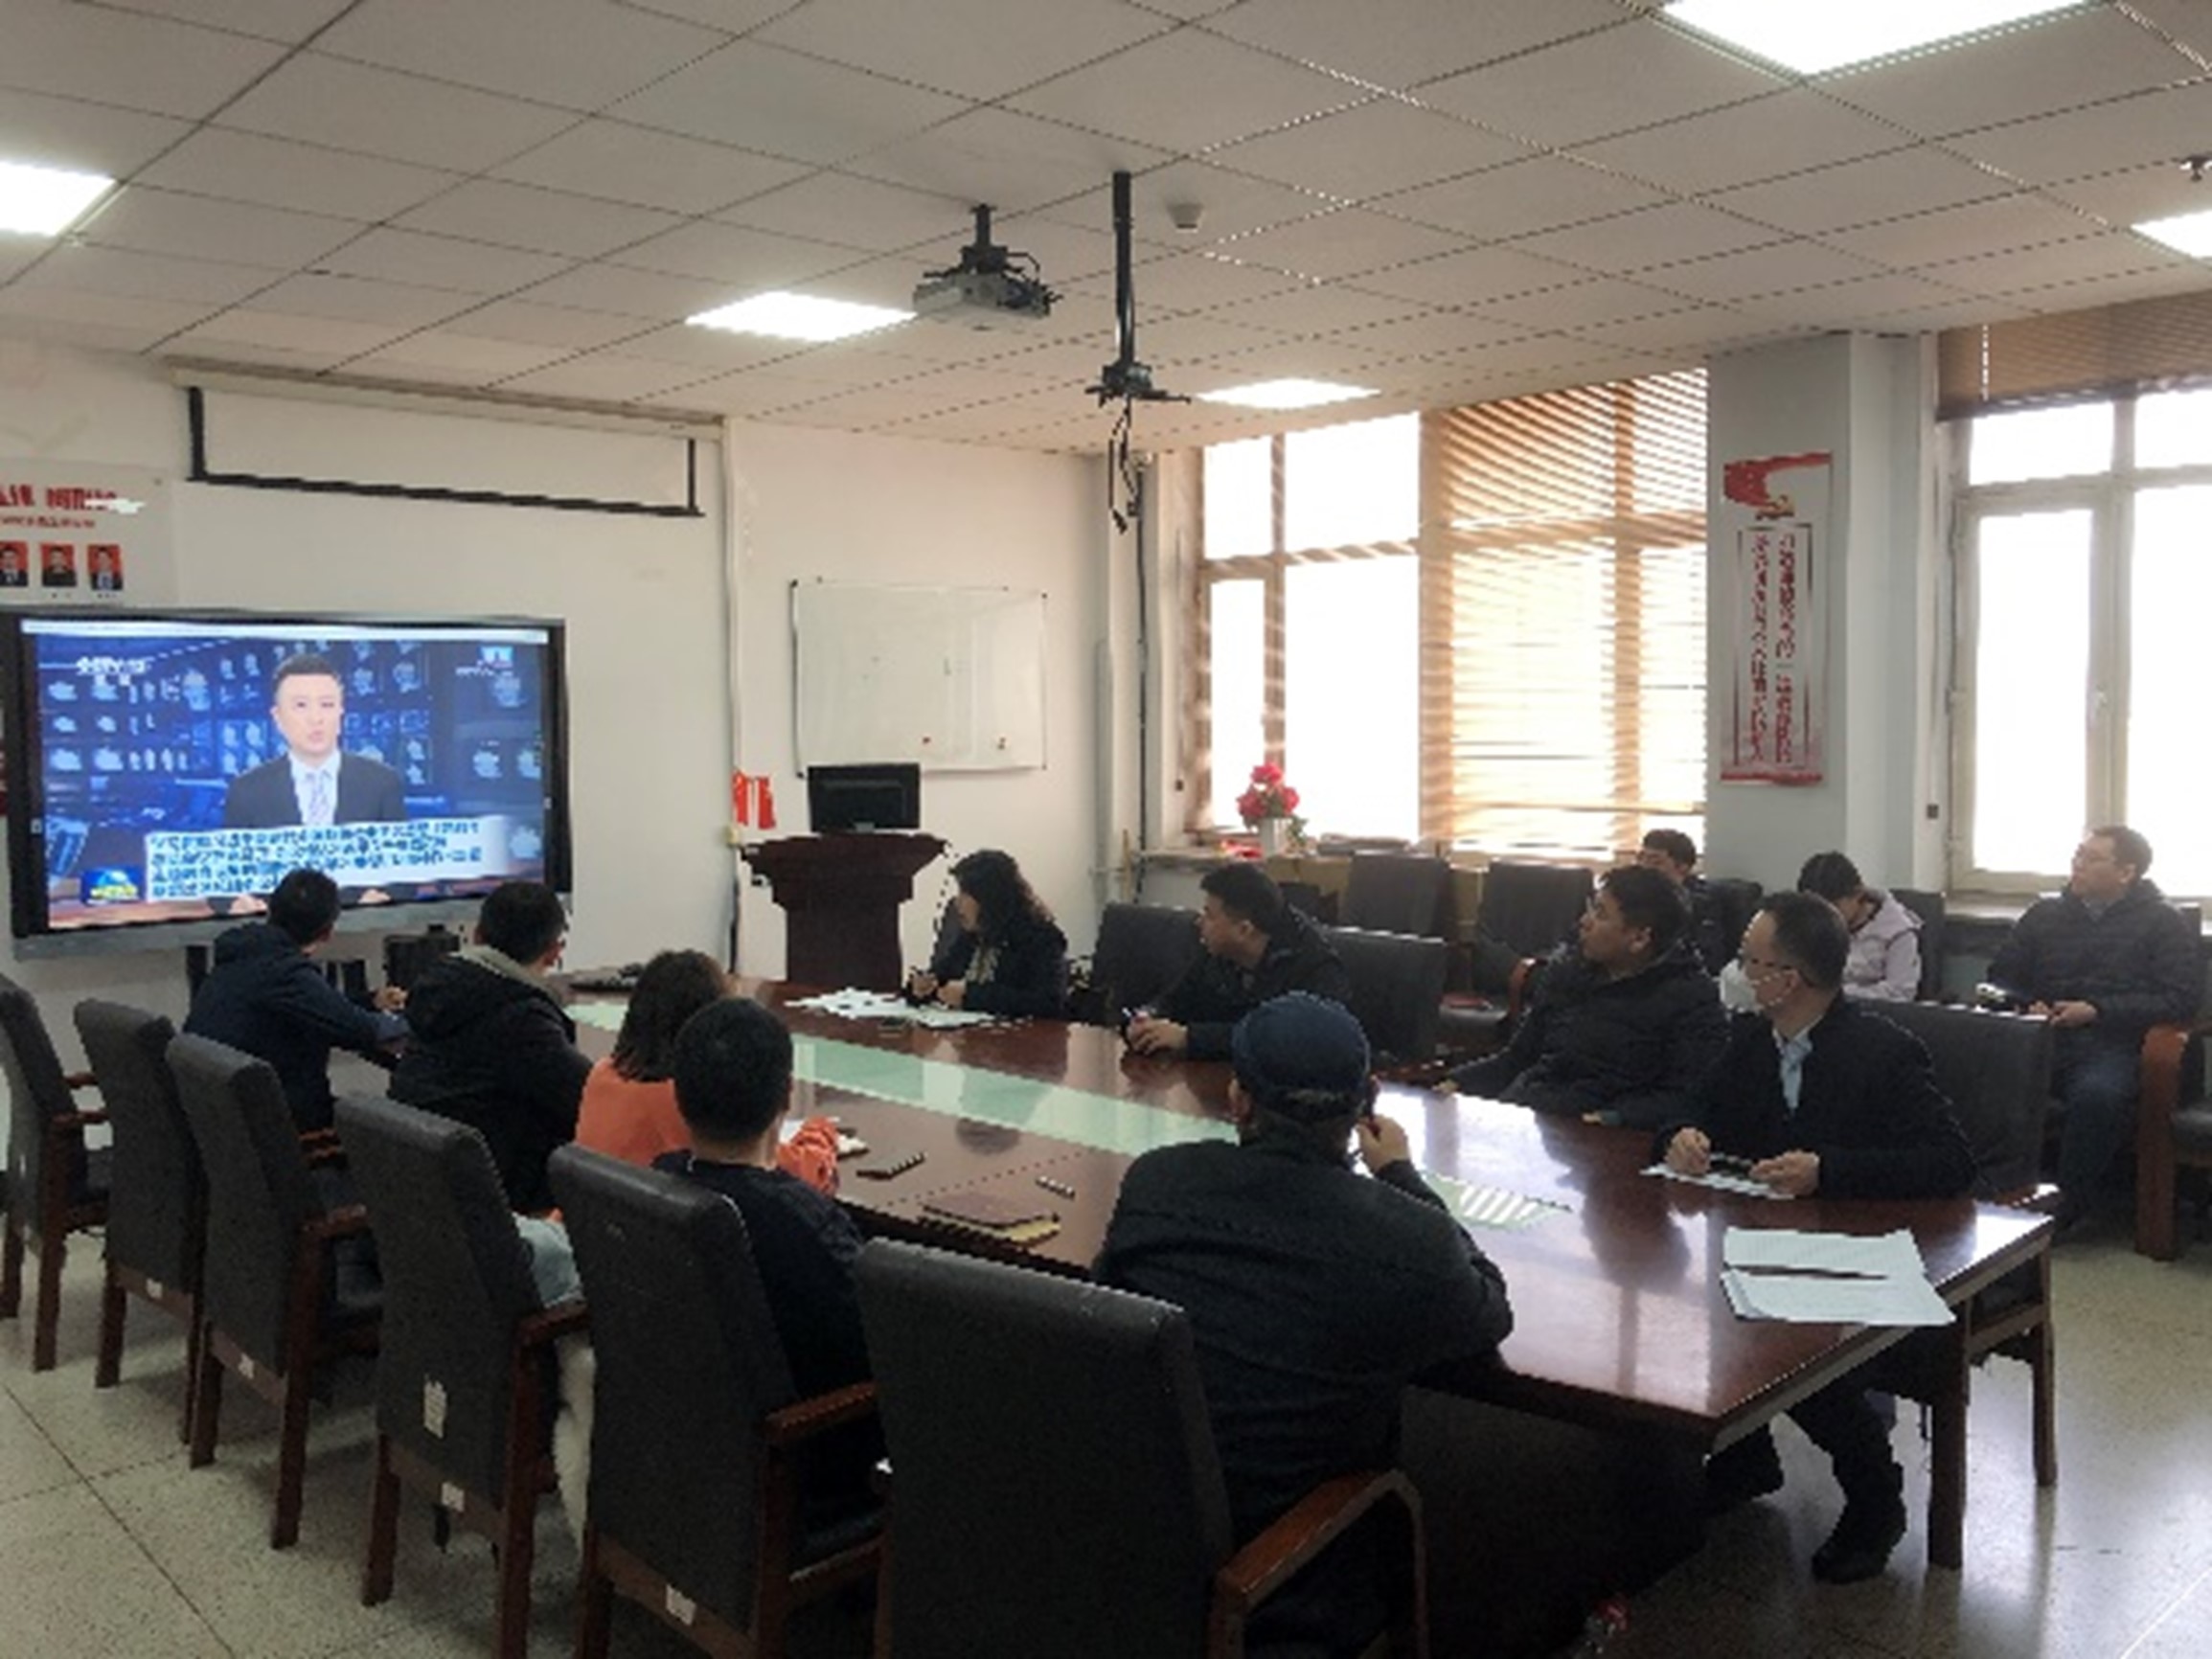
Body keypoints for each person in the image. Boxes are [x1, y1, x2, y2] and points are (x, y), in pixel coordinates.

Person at [1098, 993, 1513, 1653]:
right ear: (1367, 1101)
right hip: (1279, 1584)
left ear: (1238, 1100)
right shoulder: (1407, 1240)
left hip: (1121, 1547)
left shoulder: (1155, 1182)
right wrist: (1402, 1177)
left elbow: (1109, 1298)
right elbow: (1488, 1310)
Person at [1658, 892, 1974, 1584]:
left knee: (1788, 1342)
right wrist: (1682, 1136)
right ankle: (1745, 1456)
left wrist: (1830, 1170)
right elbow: (1691, 1107)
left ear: (1789, 979)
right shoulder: (1750, 1040)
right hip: (1769, 1239)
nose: (1740, 973)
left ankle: (1875, 1498)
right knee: (1692, 1300)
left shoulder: (1884, 1052)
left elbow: (1950, 1162)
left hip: (1864, 1248)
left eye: (1752, 962)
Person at [656, 996, 878, 1518]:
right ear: (786, 1095)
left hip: (683, 1450)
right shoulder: (805, 1225)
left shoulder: (653, 1184)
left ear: (678, 1095)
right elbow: (884, 1351)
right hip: (804, 1471)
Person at [1983, 826, 2201, 1230]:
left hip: (2115, 1043)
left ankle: (2067, 1207)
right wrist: (2026, 1003)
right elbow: (2000, 976)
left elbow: (2178, 999)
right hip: (2041, 1037)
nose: (2077, 865)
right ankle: (1989, 1193)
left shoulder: (2162, 922)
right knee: (1979, 1077)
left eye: (2091, 858)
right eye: (2077, 855)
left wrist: (2098, 1010)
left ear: (2126, 872)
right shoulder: (2044, 914)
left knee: (2097, 1096)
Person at [1444, 864, 1726, 1128]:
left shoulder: (1692, 999)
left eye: (1600, 914)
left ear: (1640, 938)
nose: (1584, 922)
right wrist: (1453, 1083)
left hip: (1600, 1135)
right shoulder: (1568, 972)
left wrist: (1607, 1119)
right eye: (1591, 908)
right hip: (1533, 1116)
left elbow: (1683, 1098)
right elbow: (1517, 1058)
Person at [389, 880, 592, 1214]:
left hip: (421, 1195)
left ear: (477, 935)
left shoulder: (438, 989)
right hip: (494, 1203)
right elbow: (590, 1100)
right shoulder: (520, 1017)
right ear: (555, 951)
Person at [574, 948, 839, 1193]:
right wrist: (820, 1132)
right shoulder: (686, 1098)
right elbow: (793, 1171)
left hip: (588, 1223)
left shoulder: (602, 1075)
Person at [183, 867, 407, 1133]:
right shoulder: (284, 973)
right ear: (327, 931)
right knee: (397, 1135)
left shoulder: (244, 954)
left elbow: (320, 1011)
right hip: (281, 1132)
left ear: (271, 910)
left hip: (222, 1128)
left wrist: (370, 1002)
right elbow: (363, 1030)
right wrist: (426, 1018)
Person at [1126, 862, 1350, 1059]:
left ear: (1243, 930)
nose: (1199, 922)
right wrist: (1148, 1016)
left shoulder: (1315, 966)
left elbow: (1285, 1041)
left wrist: (1191, 1038)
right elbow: (1176, 999)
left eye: (1210, 915)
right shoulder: (1218, 950)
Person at [222, 651, 407, 829]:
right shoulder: (247, 791)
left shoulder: (382, 783)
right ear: (278, 717)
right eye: (301, 705)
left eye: (327, 705)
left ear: (340, 712)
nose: (316, 718)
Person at [905, 848, 1069, 1017]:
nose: (957, 902)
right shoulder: (972, 936)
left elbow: (1049, 1003)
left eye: (965, 894)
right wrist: (919, 988)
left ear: (989, 898)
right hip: (970, 1032)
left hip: (1019, 1033)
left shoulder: (1041, 938)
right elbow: (940, 977)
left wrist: (972, 996)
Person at [1796, 851, 1923, 1002]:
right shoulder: (1815, 923)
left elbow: (1900, 992)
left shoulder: (1898, 932)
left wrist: (1841, 994)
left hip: (1870, 1011)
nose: (1824, 917)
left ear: (1857, 894)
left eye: (1834, 907)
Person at [1637, 828, 1734, 974]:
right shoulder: (1636, 896)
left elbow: (1709, 960)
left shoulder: (1701, 904)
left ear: (1683, 867)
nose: (1644, 867)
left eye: (1655, 862)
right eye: (1641, 858)